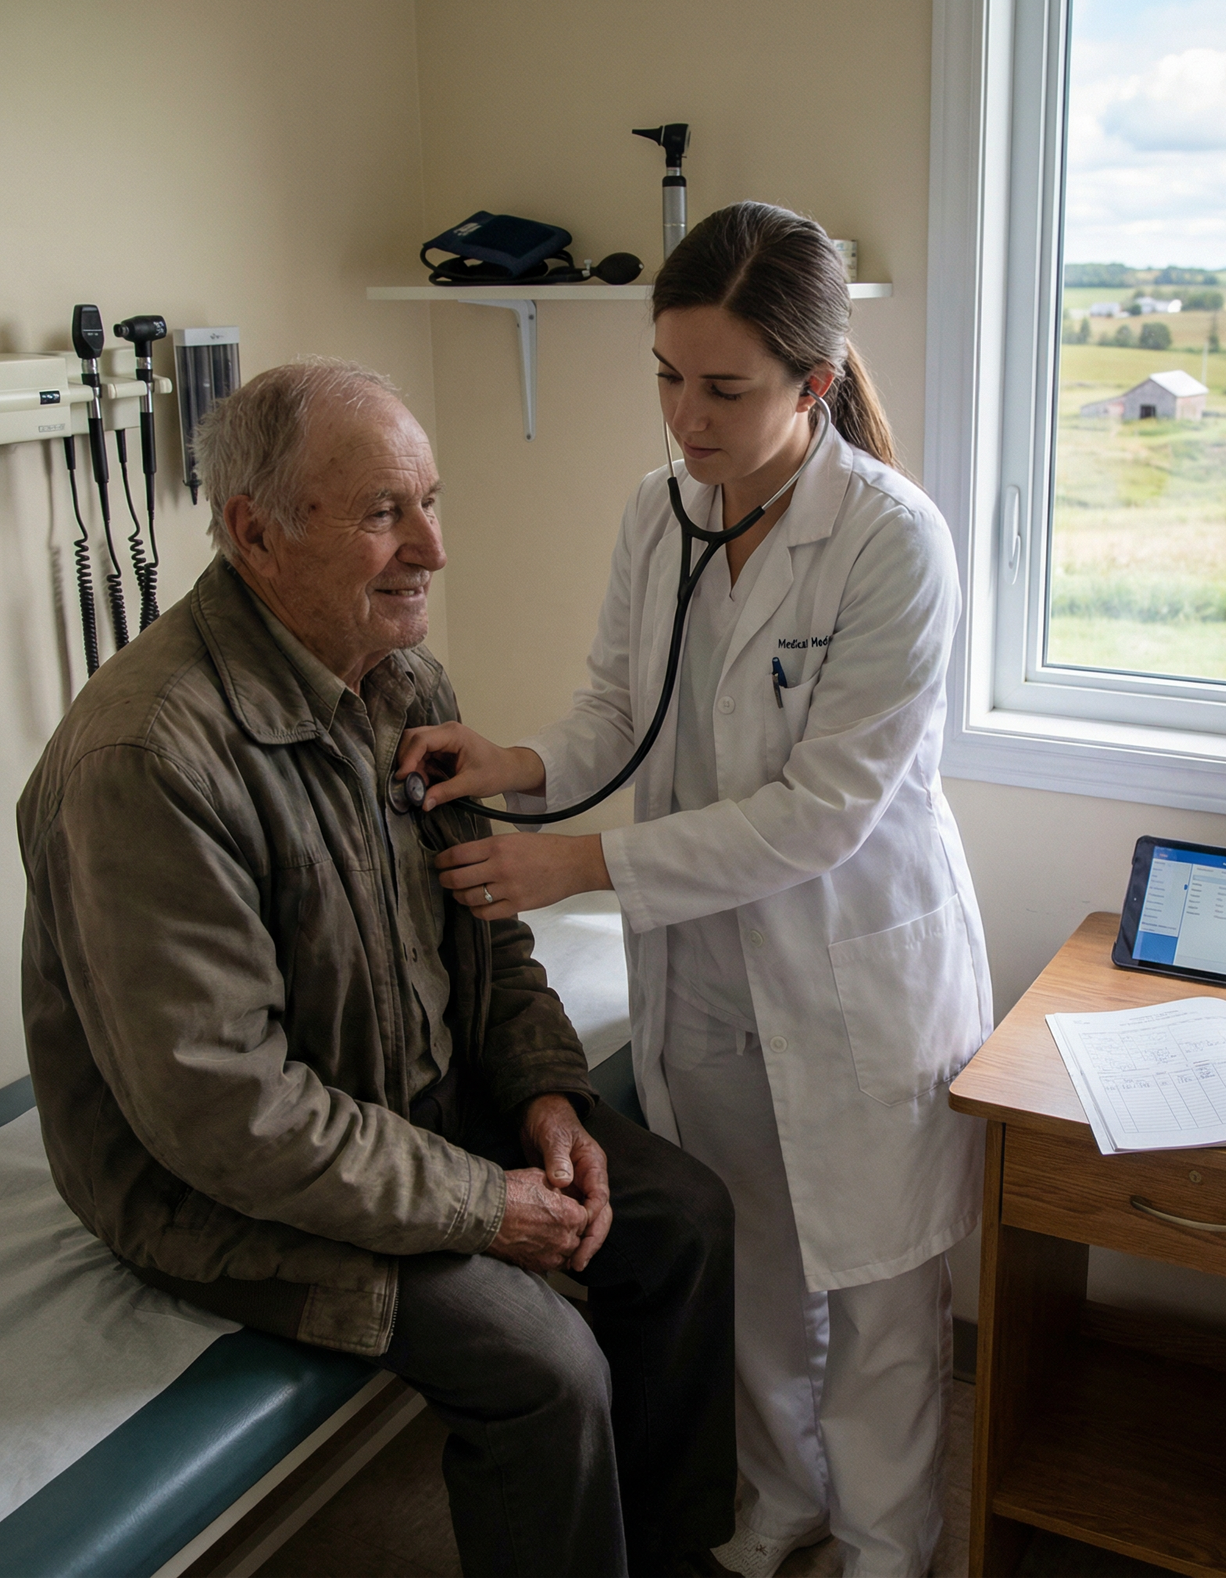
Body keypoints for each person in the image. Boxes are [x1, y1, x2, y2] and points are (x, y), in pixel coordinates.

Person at [16, 359, 737, 1578]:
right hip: (218, 1187)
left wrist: (544, 1096)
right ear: (256, 532)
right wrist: (483, 1203)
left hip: (406, 1099)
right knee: (545, 1369)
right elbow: (227, 1115)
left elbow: (486, 934)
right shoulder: (147, 759)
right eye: (382, 514)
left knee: (682, 1222)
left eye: (431, 501)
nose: (433, 550)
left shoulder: (401, 682)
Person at [398, 203, 993, 1578]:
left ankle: (889, 1544)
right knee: (762, 1274)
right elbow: (619, 710)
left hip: (856, 971)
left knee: (885, 1292)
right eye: (668, 375)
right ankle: (780, 1502)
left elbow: (824, 813)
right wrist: (521, 764)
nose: (686, 417)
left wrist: (579, 864)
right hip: (709, 970)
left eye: (723, 388)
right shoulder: (657, 516)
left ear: (816, 384)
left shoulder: (894, 543)